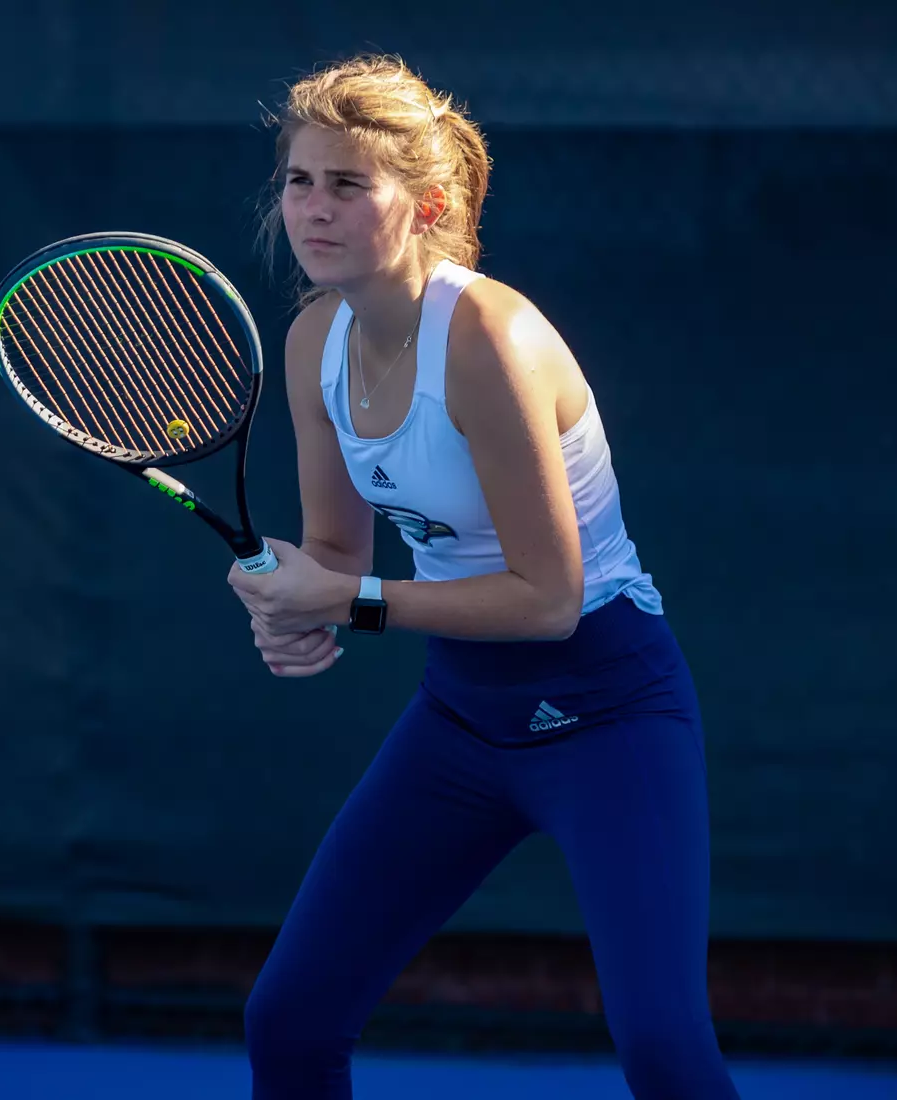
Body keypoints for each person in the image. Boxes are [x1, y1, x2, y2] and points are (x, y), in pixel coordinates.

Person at [225, 54, 742, 1099]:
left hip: (610, 714)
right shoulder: (312, 340)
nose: (313, 210)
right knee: (289, 1018)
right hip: (462, 721)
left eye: (347, 185)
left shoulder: (489, 339)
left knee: (663, 1049)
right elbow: (336, 554)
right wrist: (288, 601)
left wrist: (353, 604)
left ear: (426, 205)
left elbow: (549, 599)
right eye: (298, 182)